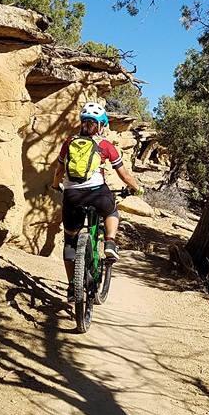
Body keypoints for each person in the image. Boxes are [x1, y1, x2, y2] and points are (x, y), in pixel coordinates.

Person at [51, 101, 142, 301]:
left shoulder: (68, 142)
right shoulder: (105, 145)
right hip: (97, 193)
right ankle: (109, 242)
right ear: (101, 125)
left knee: (70, 241)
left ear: (83, 123)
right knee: (111, 212)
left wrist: (56, 185)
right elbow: (124, 175)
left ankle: (72, 287)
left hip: (72, 195)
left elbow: (58, 171)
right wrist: (137, 188)